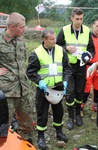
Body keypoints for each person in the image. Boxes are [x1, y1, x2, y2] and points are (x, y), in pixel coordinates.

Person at [26, 29, 72, 149]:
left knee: (59, 112)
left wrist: (66, 80)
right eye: (51, 39)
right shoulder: (36, 53)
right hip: (43, 89)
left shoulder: (61, 50)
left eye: (55, 38)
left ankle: (59, 132)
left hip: (58, 87)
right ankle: (41, 137)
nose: (54, 41)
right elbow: (30, 72)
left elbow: (67, 68)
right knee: (42, 113)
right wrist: (39, 81)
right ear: (44, 39)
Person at [56, 8, 95, 130]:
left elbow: (91, 49)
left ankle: (78, 114)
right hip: (68, 66)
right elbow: (57, 46)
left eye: (81, 19)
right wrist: (66, 48)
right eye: (77, 19)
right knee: (70, 92)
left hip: (82, 65)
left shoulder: (87, 30)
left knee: (79, 92)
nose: (79, 21)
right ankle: (71, 116)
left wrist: (88, 56)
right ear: (71, 18)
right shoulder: (64, 30)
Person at [0, 12, 34, 144]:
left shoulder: (20, 39)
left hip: (22, 89)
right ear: (12, 27)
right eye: (22, 27)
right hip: (6, 92)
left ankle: (26, 143)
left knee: (27, 121)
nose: (24, 29)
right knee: (3, 124)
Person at [81, 18, 98, 120]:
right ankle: (80, 108)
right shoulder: (86, 38)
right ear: (93, 25)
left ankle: (95, 110)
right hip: (88, 66)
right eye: (97, 26)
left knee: (97, 90)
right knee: (86, 89)